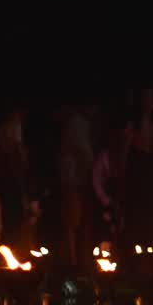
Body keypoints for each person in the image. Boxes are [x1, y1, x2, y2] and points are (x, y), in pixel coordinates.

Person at [122, 89, 153, 249]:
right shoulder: (134, 122)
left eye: (151, 99)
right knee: (137, 203)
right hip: (138, 164)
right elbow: (127, 145)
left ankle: (150, 241)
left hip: (152, 165)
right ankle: (136, 242)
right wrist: (123, 166)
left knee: (151, 203)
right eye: (146, 99)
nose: (149, 102)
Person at [58, 101, 96, 268]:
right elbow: (82, 151)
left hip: (80, 179)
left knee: (80, 222)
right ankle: (72, 262)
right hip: (74, 180)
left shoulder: (83, 123)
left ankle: (80, 260)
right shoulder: (77, 123)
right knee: (72, 222)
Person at [0, 107, 30, 247]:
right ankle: (12, 243)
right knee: (14, 211)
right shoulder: (13, 127)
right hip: (11, 174)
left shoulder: (4, 128)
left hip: (5, 173)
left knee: (10, 211)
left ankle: (9, 242)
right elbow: (15, 149)